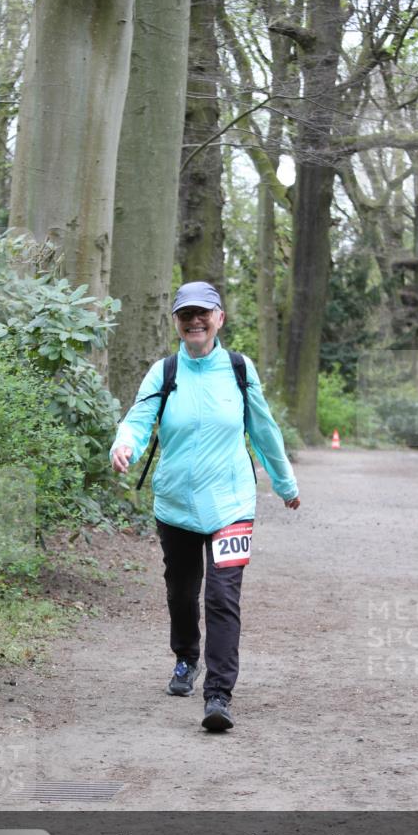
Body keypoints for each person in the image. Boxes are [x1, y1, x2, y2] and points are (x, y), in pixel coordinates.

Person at [110, 281, 300, 732]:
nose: (195, 321)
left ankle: (218, 695)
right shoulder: (165, 371)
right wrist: (124, 445)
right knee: (181, 592)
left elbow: (264, 428)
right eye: (185, 315)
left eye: (203, 313)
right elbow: (138, 419)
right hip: (175, 504)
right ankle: (185, 658)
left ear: (219, 318)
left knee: (221, 596)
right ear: (175, 322)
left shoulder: (238, 368)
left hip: (232, 503)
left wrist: (285, 481)